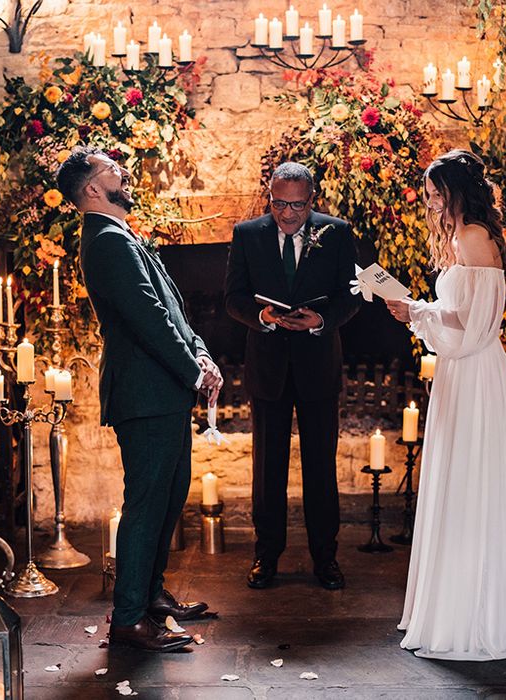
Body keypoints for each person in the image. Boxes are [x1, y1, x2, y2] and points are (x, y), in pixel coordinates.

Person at [57, 146, 223, 652]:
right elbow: (149, 319)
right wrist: (193, 371)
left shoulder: (120, 234)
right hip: (144, 392)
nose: (123, 173)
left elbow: (172, 305)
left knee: (169, 497)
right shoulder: (105, 240)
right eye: (112, 169)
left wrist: (201, 354)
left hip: (163, 390)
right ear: (90, 188)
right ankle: (128, 618)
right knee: (148, 504)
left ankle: (150, 597)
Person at [387, 149, 506, 660]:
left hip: (472, 373)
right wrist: (418, 311)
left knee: (472, 481)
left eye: (433, 194)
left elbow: (473, 330)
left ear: (454, 192)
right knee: (460, 479)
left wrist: (416, 315)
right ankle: (460, 603)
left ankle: (473, 615)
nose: (429, 204)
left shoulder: (472, 237)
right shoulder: (465, 235)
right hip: (461, 371)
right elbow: (460, 316)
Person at [225, 162, 360, 591]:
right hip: (268, 368)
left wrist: (320, 318)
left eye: (297, 206)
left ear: (312, 200)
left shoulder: (336, 233)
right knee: (268, 471)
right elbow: (233, 297)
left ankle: (326, 558)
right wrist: (261, 316)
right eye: (279, 204)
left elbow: (350, 297)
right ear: (270, 197)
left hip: (318, 365)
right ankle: (266, 556)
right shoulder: (247, 234)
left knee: (321, 467)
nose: (287, 214)